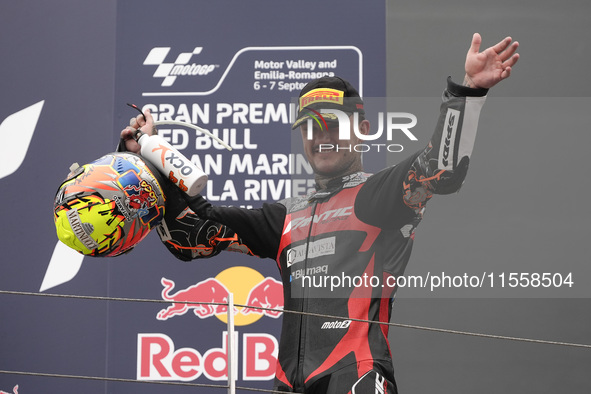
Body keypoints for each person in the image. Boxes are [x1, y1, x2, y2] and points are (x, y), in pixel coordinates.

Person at [118, 33, 519, 393]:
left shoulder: (379, 196)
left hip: (357, 379)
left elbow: (441, 171)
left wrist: (468, 93)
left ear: (362, 128)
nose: (321, 136)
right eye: (310, 127)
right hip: (288, 384)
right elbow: (192, 237)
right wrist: (149, 160)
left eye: (332, 123)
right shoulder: (284, 218)